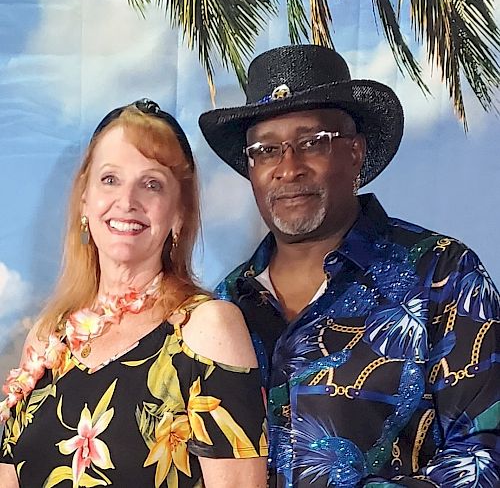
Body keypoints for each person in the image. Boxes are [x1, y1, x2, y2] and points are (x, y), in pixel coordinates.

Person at [198, 45, 500, 487]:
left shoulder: (443, 275)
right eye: (266, 150)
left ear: (355, 153)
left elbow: (486, 453)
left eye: (311, 143)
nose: (288, 168)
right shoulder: (223, 306)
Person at [0, 98, 268, 487]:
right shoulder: (47, 339)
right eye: (110, 179)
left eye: (152, 184)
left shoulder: (205, 329)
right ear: (84, 202)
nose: (127, 201)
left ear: (179, 213)